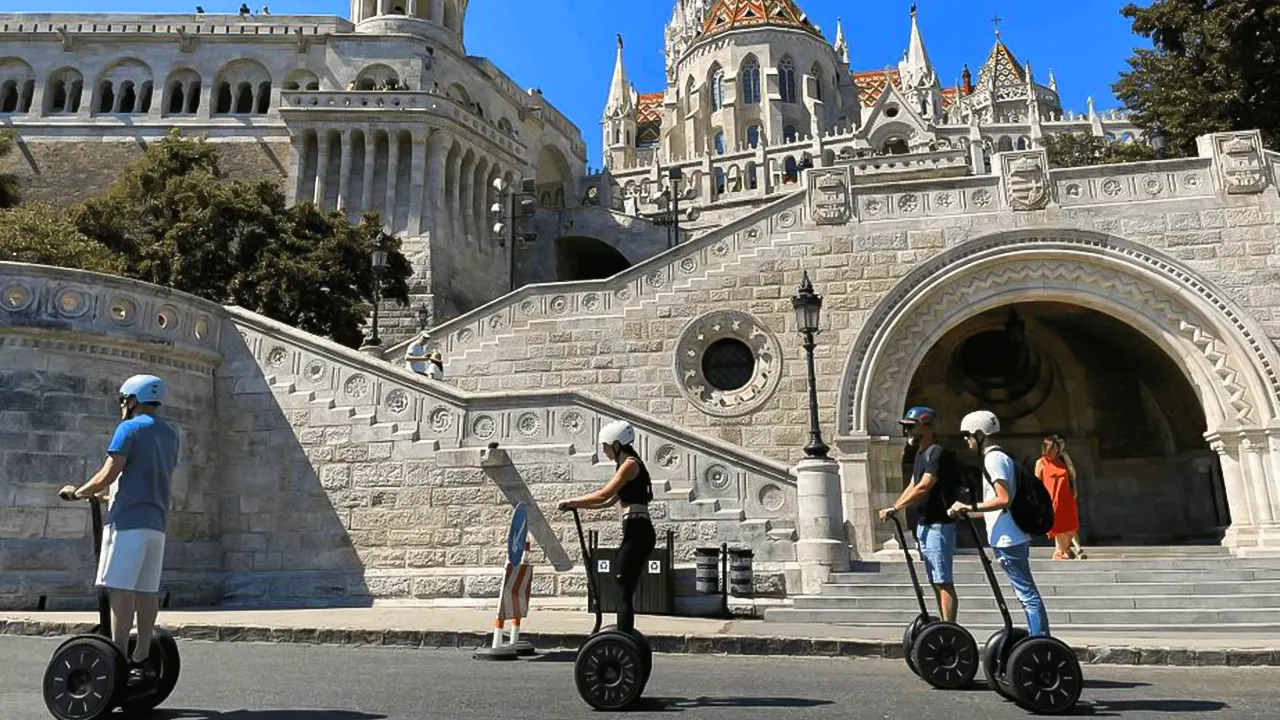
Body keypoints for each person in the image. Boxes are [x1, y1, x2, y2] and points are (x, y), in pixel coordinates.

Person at [59, 374, 180, 681]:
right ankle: (141, 658)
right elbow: (142, 476)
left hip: (127, 523)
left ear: (133, 400)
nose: (123, 405)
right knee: (146, 592)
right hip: (156, 525)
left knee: (120, 589)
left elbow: (108, 474)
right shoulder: (169, 434)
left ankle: (116, 657)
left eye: (125, 400)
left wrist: (79, 492)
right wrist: (101, 493)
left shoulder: (128, 428)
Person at [949, 410, 1050, 636]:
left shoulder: (993, 459)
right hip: (1008, 534)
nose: (965, 441)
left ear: (979, 434)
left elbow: (1004, 499)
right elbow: (995, 505)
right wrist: (967, 513)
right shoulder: (1000, 457)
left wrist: (969, 506)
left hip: (1008, 537)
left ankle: (1041, 642)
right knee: (1025, 593)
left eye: (967, 436)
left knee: (1027, 595)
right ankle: (1039, 640)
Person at [558, 420, 655, 634]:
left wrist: (573, 501)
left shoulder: (630, 464)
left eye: (605, 446)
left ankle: (623, 637)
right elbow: (606, 502)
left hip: (638, 531)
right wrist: (579, 507)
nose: (603, 451)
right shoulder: (626, 465)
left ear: (618, 444)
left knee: (622, 586)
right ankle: (624, 636)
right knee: (622, 585)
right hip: (634, 530)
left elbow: (604, 494)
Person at [879, 406, 960, 623]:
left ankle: (949, 628)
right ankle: (943, 625)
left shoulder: (936, 452)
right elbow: (913, 484)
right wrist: (894, 507)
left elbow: (925, 486)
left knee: (943, 581)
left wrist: (896, 508)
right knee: (934, 580)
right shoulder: (921, 454)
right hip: (925, 525)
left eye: (911, 427)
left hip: (939, 525)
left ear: (926, 426)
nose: (907, 431)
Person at [1038, 434, 1085, 560]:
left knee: (1070, 526)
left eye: (1055, 448)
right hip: (1051, 498)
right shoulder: (1041, 463)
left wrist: (1074, 489)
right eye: (1051, 448)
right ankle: (1060, 551)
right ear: (1046, 449)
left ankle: (1066, 550)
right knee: (1057, 526)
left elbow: (1072, 474)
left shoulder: (1062, 461)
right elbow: (1036, 482)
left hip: (1066, 497)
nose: (1054, 451)